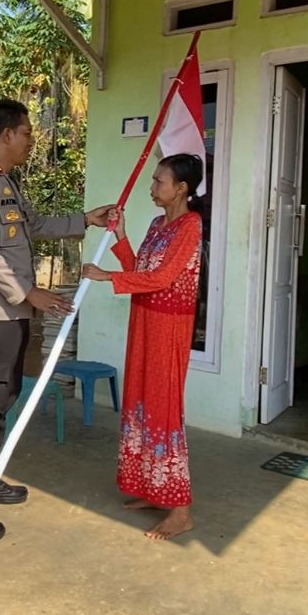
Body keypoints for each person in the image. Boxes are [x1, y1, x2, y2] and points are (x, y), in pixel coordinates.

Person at [0, 98, 116, 541]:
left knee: (2, 401)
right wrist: (28, 292)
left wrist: (86, 219)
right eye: (27, 134)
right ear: (6, 135)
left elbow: (33, 224)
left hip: (13, 315)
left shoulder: (7, 183)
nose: (30, 142)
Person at [81, 154, 204, 541]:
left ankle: (181, 511)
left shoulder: (191, 225)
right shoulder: (157, 224)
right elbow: (141, 272)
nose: (152, 188)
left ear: (181, 189)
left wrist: (106, 277)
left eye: (159, 182)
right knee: (142, 402)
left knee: (164, 408)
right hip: (144, 321)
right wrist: (120, 236)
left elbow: (165, 278)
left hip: (169, 327)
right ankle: (154, 489)